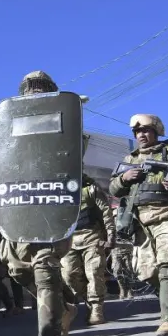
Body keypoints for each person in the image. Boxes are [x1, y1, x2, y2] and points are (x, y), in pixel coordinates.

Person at [0, 70, 78, 336]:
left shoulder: (65, 122)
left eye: (41, 89)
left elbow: (69, 159)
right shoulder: (10, 125)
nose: (34, 93)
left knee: (45, 270)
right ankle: (65, 306)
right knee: (18, 270)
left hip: (51, 203)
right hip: (17, 206)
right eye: (29, 90)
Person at [109, 114, 168, 336]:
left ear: (156, 132)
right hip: (139, 221)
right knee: (147, 273)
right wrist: (124, 179)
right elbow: (112, 189)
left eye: (146, 131)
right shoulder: (129, 160)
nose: (141, 135)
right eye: (137, 132)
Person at [62, 136, 116, 325]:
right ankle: (89, 301)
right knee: (69, 275)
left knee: (94, 273)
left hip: (92, 237)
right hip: (68, 240)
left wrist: (111, 236)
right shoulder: (59, 190)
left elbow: (106, 212)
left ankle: (97, 309)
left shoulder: (90, 188)